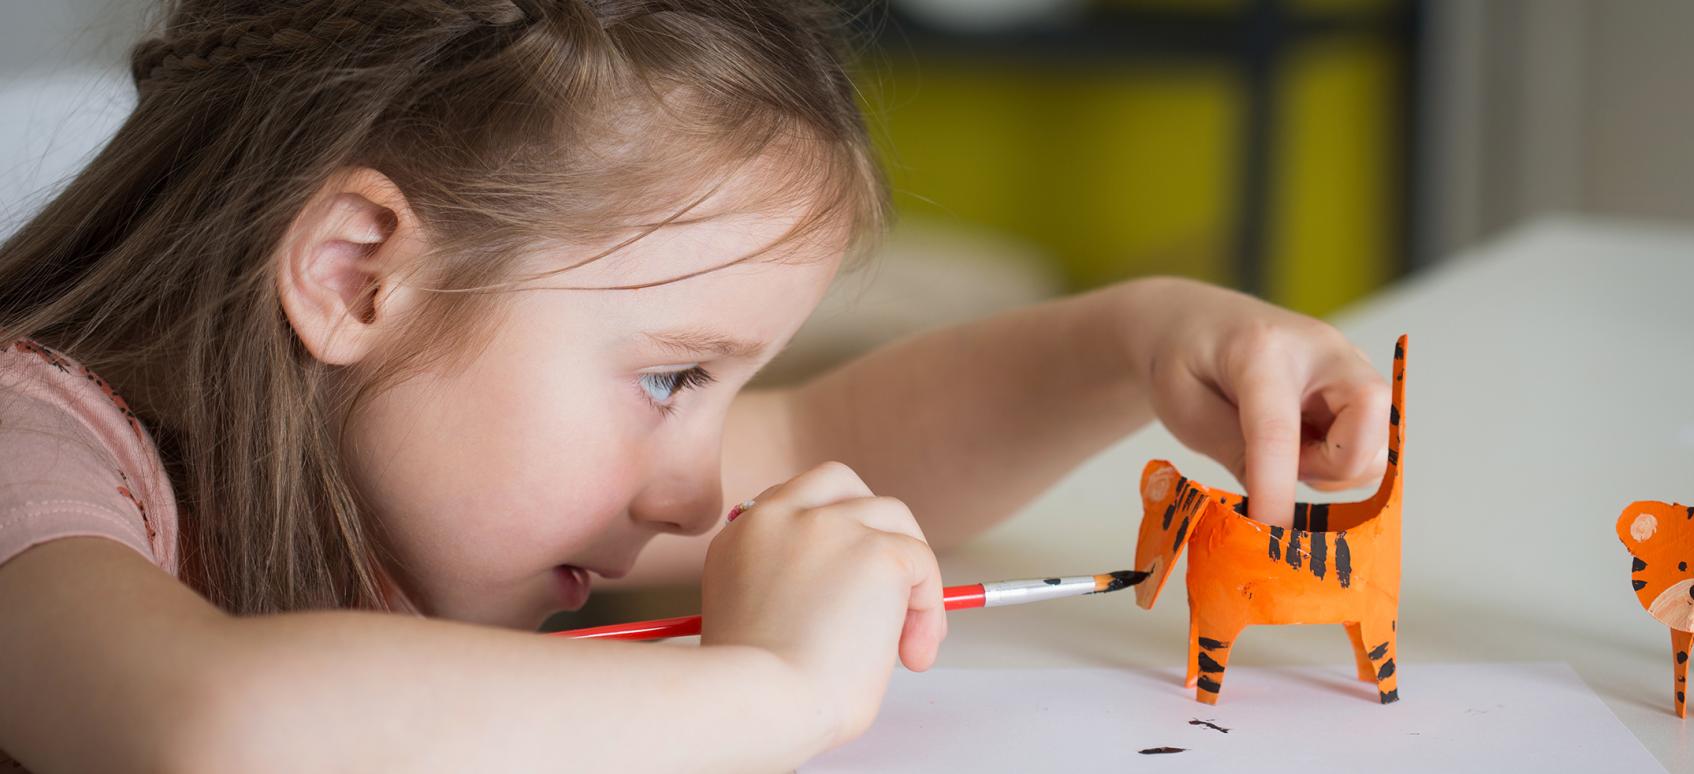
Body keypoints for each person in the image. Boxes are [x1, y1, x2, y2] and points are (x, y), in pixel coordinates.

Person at [0, 1, 1388, 770]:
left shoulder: (427, 460)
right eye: (672, 374)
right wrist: (774, 689)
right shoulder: (34, 449)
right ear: (360, 275)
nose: (703, 486)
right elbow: (199, 724)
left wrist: (1140, 345)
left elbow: (847, 431)